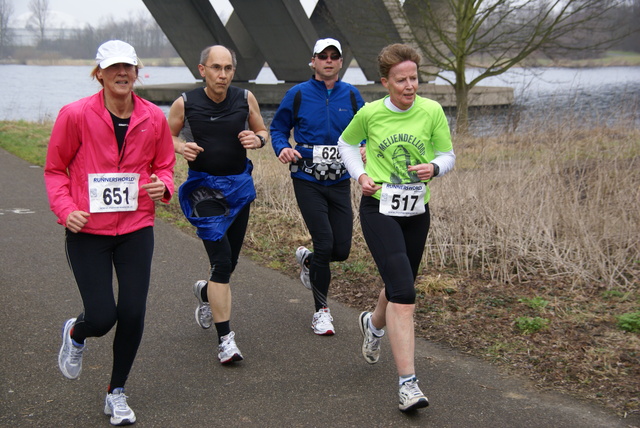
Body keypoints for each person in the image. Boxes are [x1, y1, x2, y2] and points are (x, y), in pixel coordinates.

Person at [45, 40, 175, 426]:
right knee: (102, 317)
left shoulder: (153, 118)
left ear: (137, 72)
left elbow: (165, 165)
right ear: (98, 72)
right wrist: (66, 210)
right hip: (88, 231)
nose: (122, 73)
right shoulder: (75, 115)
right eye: (113, 67)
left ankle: (116, 392)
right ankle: (77, 332)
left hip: (136, 228)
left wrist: (162, 186)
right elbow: (55, 170)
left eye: (128, 67)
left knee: (133, 312)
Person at [338, 43, 456, 412]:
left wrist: (434, 168)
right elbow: (344, 144)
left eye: (414, 79)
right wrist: (360, 175)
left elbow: (447, 154)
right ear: (385, 82)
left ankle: (373, 325)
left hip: (417, 211)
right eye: (401, 80)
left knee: (398, 282)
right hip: (379, 209)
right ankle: (408, 384)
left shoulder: (431, 111)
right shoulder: (371, 113)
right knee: (404, 294)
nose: (410, 86)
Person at [167, 45, 268, 364]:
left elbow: (261, 129)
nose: (222, 74)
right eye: (215, 68)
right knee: (222, 262)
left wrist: (259, 140)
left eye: (227, 68)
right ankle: (226, 340)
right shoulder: (185, 102)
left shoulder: (244, 98)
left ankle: (206, 292)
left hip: (238, 187)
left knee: (229, 263)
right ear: (202, 70)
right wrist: (181, 146)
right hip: (204, 191)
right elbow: (163, 138)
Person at [270, 38, 364, 335]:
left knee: (342, 249)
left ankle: (309, 261)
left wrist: (364, 146)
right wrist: (282, 147)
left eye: (333, 56)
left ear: (340, 62)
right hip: (307, 178)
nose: (328, 61)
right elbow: (278, 128)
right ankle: (321, 311)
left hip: (339, 179)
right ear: (313, 61)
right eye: (322, 56)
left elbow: (368, 129)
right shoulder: (297, 94)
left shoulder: (351, 95)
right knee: (324, 242)